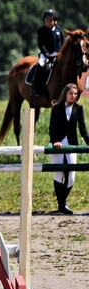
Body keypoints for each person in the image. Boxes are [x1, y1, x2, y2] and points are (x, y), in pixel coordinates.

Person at [49, 83, 89, 214]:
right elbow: (52, 128)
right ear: (65, 94)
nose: (73, 96)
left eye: (75, 94)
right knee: (58, 174)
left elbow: (83, 129)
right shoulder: (56, 108)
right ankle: (62, 205)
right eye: (71, 93)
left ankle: (62, 203)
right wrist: (55, 141)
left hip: (72, 144)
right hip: (57, 143)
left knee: (71, 176)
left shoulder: (79, 108)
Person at [33, 9, 64, 97]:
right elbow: (41, 44)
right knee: (40, 66)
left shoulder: (59, 31)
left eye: (50, 21)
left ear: (55, 21)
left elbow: (63, 43)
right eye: (47, 21)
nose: (49, 23)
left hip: (58, 54)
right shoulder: (42, 31)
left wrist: (61, 53)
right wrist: (47, 54)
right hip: (45, 55)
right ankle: (37, 88)